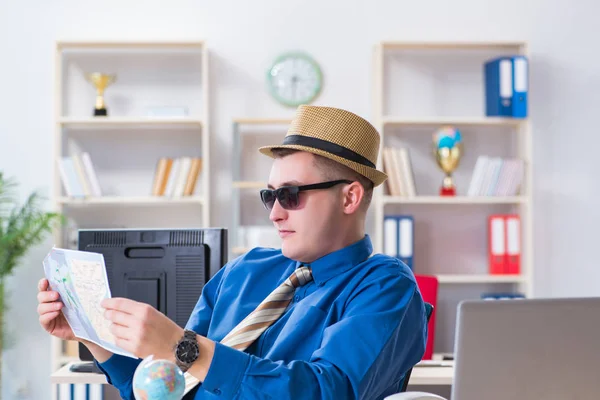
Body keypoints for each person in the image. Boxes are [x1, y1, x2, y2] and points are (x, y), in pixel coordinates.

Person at [38, 105, 428, 400]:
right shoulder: (244, 271)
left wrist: (180, 346)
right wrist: (93, 338)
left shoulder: (385, 287)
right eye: (269, 196)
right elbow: (171, 386)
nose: (275, 213)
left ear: (350, 197)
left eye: (290, 195)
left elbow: (327, 391)